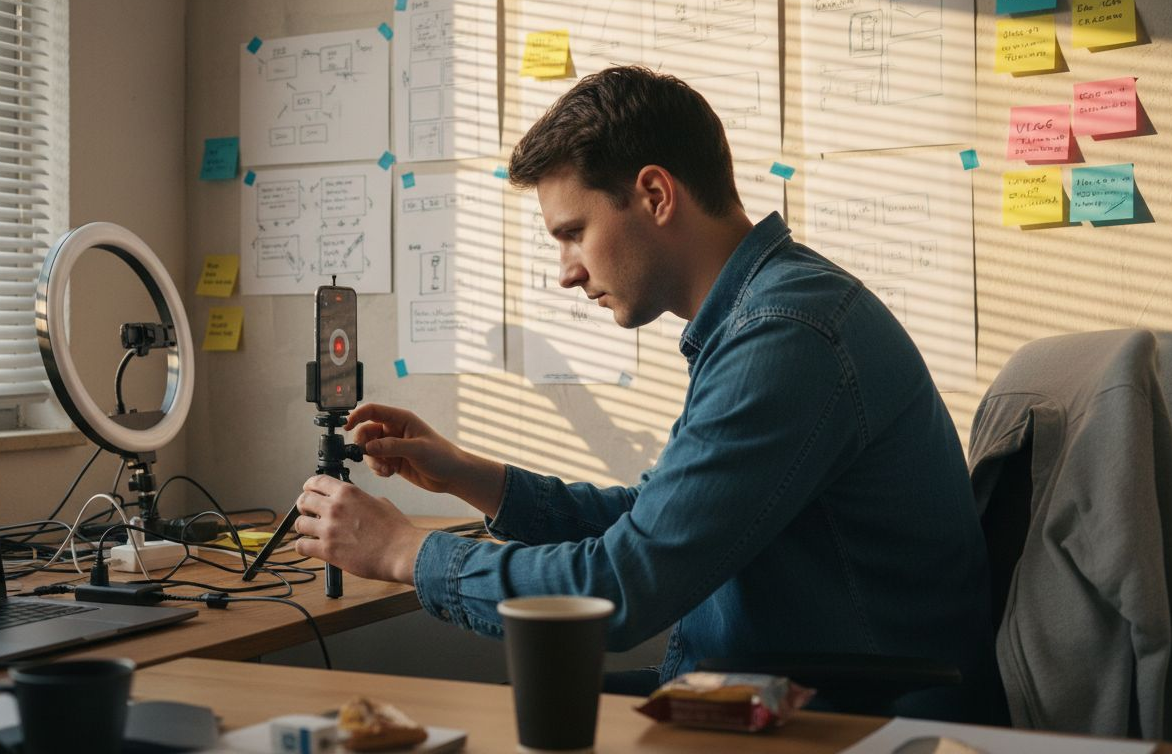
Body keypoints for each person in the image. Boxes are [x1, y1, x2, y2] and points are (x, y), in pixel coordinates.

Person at [292, 66, 1001, 722]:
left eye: (573, 233)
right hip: (782, 689)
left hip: (846, 715)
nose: (566, 272)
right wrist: (475, 478)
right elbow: (656, 523)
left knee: (462, 724)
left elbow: (622, 588)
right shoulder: (766, 313)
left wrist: (405, 554)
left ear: (656, 195)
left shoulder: (786, 336)